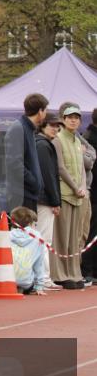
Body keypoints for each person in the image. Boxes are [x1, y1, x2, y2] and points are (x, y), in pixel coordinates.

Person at [52, 102, 88, 288]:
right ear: (63, 120)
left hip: (78, 196)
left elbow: (82, 167)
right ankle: (60, 274)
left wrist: (82, 186)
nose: (74, 120)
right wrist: (75, 187)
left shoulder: (77, 140)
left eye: (76, 118)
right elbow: (60, 168)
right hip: (65, 194)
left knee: (74, 237)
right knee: (62, 236)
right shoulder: (58, 139)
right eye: (70, 117)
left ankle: (74, 272)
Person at [0, 206, 47, 295]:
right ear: (31, 222)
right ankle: (20, 284)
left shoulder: (4, 235)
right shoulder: (38, 237)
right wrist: (39, 286)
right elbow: (39, 264)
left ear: (12, 222)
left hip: (3, 278)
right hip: (26, 282)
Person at [4, 93, 48, 211]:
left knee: (29, 230)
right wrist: (33, 182)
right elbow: (14, 163)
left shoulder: (27, 128)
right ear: (40, 111)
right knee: (23, 230)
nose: (45, 115)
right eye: (45, 111)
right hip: (21, 196)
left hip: (28, 195)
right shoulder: (18, 128)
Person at [34, 112, 63, 290]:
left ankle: (42, 277)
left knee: (42, 238)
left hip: (42, 198)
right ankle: (43, 278)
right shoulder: (43, 145)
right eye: (52, 125)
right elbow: (48, 175)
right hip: (44, 199)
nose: (55, 128)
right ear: (43, 126)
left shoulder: (41, 143)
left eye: (57, 125)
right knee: (44, 239)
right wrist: (55, 200)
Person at [82, 109, 97, 285]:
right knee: (89, 233)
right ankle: (87, 270)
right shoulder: (88, 138)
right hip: (91, 192)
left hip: (91, 191)